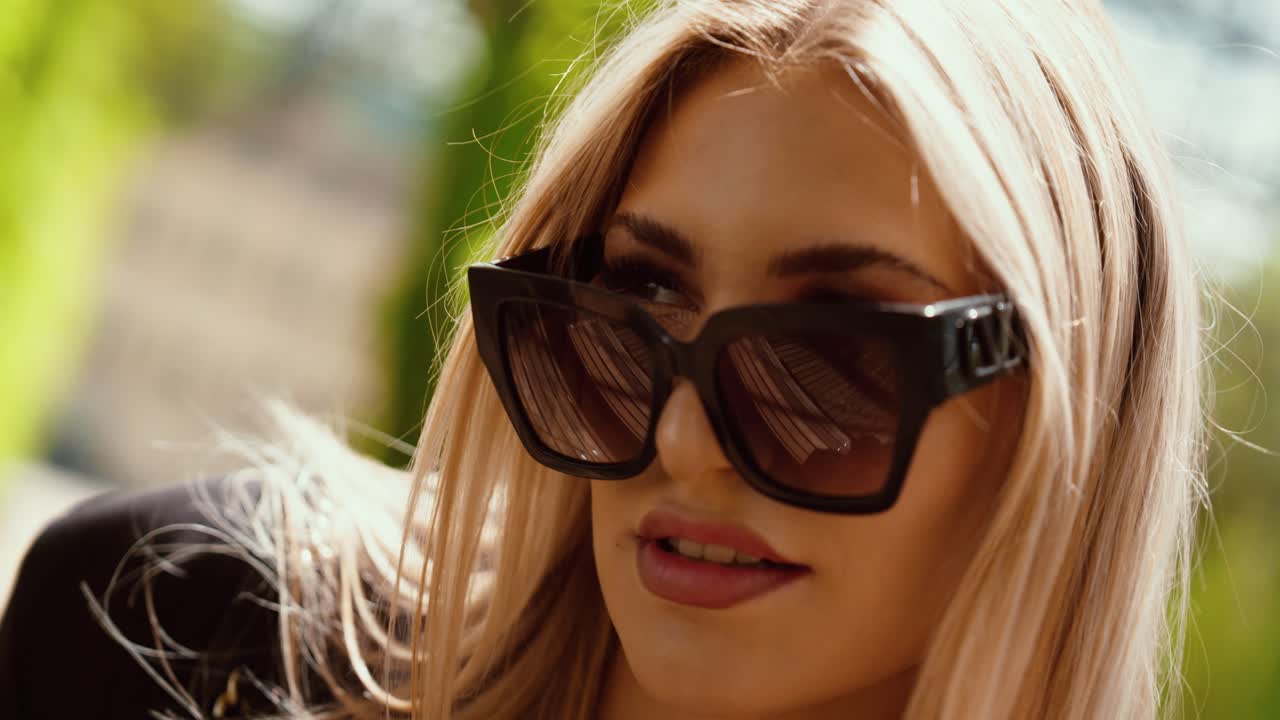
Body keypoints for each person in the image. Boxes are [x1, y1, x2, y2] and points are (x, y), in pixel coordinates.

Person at [0, 0, 1207, 718]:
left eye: (828, 357)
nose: (679, 440)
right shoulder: (182, 631)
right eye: (634, 300)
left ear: (1064, 415)